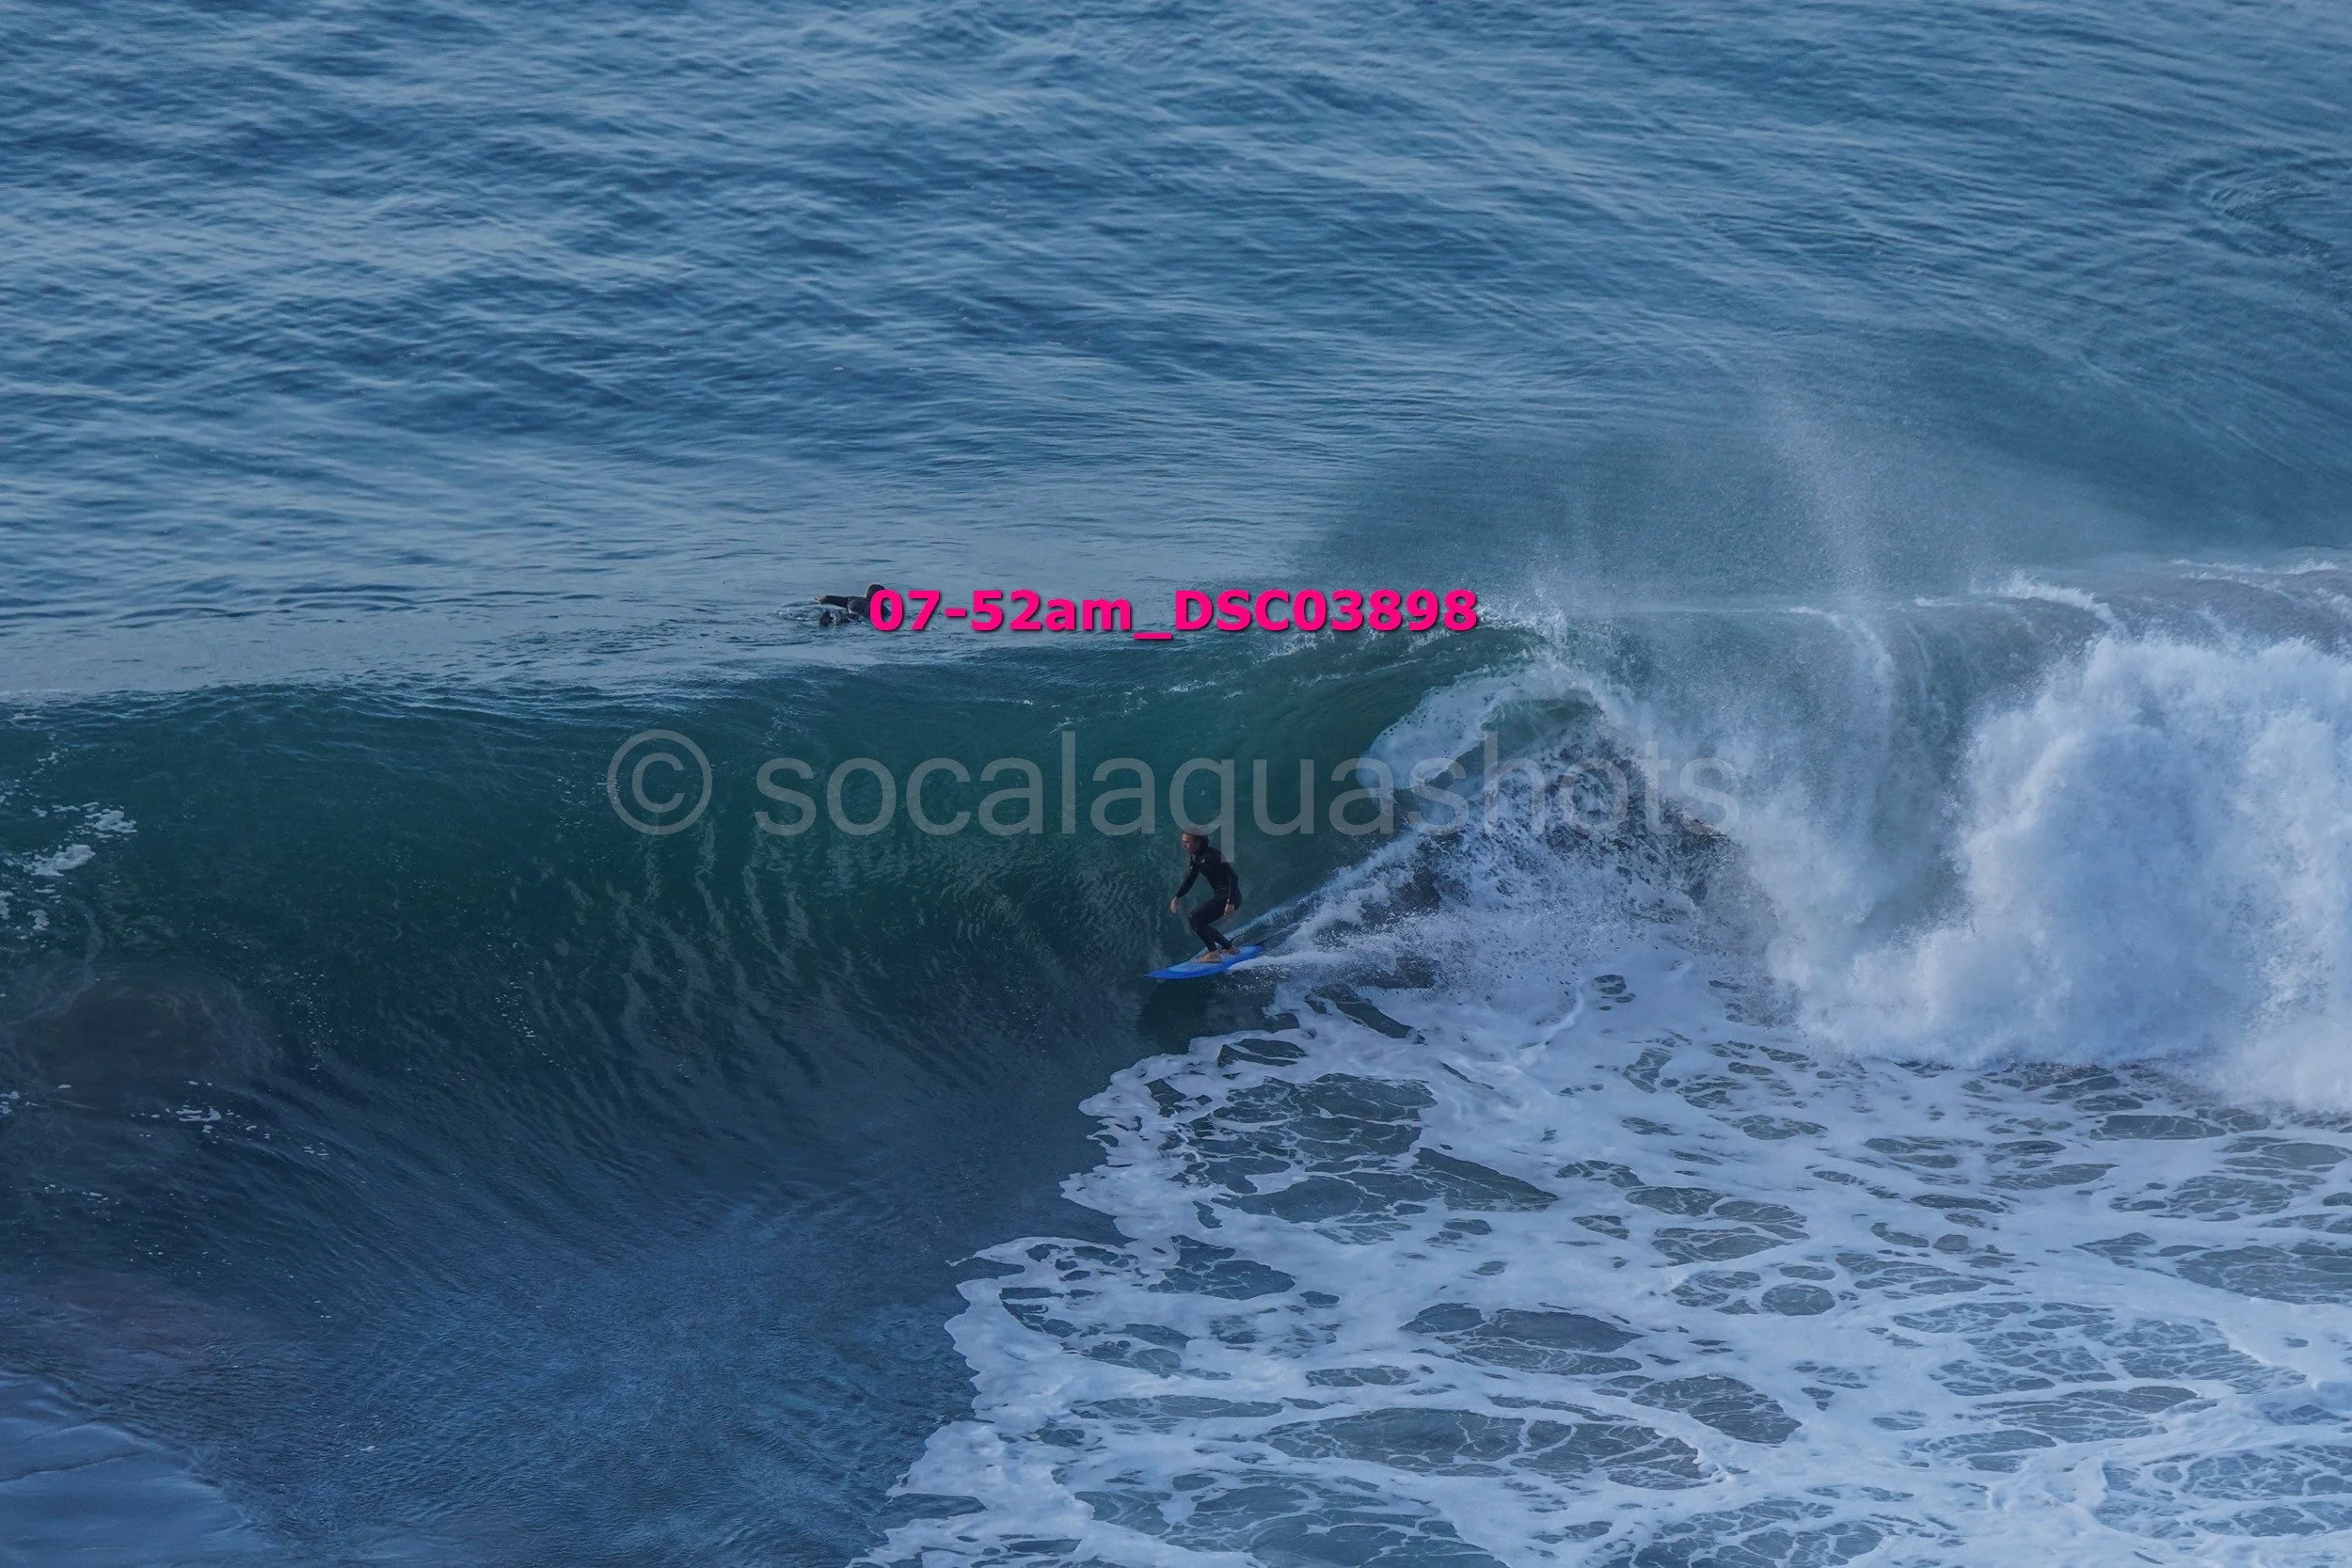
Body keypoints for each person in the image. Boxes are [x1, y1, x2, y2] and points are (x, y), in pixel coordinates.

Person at [1170, 831, 1242, 962]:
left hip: (1229, 896)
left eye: (1187, 842)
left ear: (1197, 843)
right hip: (1221, 895)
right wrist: (1177, 897)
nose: (1184, 845)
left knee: (1195, 917)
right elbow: (1189, 879)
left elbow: (1233, 877)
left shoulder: (1213, 856)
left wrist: (1229, 902)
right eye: (1183, 842)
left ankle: (1214, 954)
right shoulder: (1195, 857)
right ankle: (1230, 948)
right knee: (1200, 922)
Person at [813, 584, 887, 626]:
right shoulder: (882, 608)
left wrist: (826, 598)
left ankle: (833, 619)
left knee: (845, 617)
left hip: (850, 613)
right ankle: (839, 619)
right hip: (860, 619)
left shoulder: (854, 599)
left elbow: (842, 600)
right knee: (851, 620)